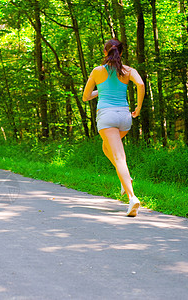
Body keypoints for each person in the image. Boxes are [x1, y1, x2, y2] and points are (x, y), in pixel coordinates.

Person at [83, 38, 145, 217]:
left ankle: (132, 197)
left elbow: (86, 96)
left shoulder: (97, 71)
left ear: (105, 52)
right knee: (106, 148)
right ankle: (125, 177)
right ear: (122, 52)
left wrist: (99, 91)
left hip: (107, 117)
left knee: (119, 158)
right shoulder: (128, 70)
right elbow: (140, 84)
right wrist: (138, 107)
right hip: (125, 117)